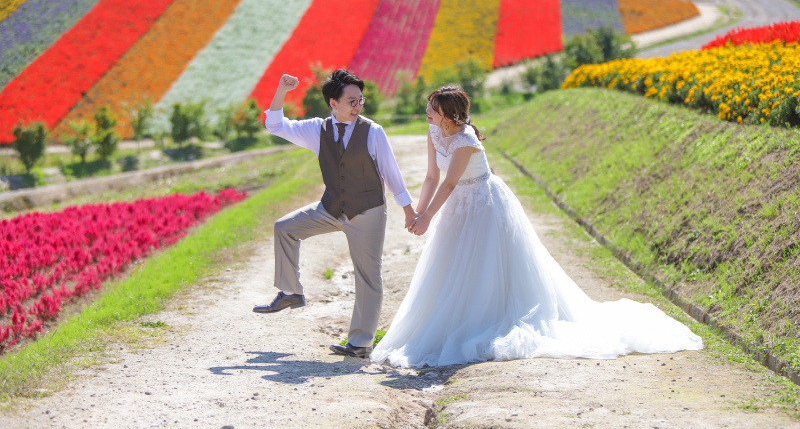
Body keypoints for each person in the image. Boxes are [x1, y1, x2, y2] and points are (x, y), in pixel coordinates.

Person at [370, 86, 702, 368]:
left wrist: (427, 217)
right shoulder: (433, 131)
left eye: (433, 108)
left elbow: (450, 183)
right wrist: (417, 211)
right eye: (429, 106)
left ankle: (485, 318)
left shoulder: (465, 138)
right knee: (451, 263)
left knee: (486, 263)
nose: (427, 111)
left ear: (450, 115)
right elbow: (432, 177)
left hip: (484, 202)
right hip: (459, 204)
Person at [257, 70, 417, 358]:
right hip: (330, 209)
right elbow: (276, 125)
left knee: (368, 276)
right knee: (285, 227)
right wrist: (281, 90)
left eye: (360, 100)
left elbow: (392, 174)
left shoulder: (373, 131)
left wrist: (408, 210)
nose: (358, 107)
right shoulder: (315, 129)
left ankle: (360, 343)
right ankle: (291, 292)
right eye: (351, 101)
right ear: (333, 103)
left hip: (367, 212)